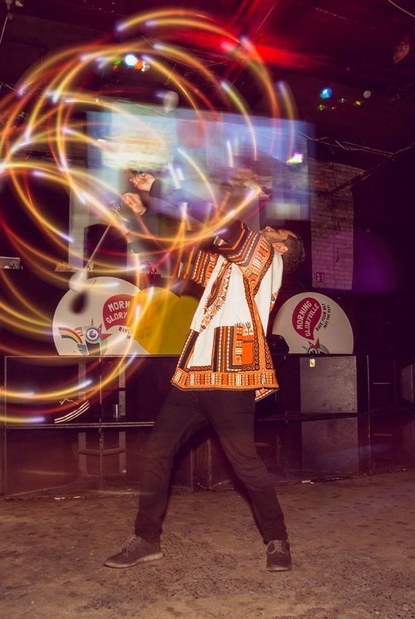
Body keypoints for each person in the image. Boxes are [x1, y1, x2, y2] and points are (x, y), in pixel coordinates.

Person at [105, 172, 305, 571]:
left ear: (282, 247)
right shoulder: (227, 264)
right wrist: (139, 216)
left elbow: (214, 218)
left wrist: (156, 189)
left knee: (245, 463)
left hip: (232, 376)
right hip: (194, 375)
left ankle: (277, 541)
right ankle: (146, 539)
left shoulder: (264, 259)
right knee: (157, 452)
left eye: (276, 232)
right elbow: (170, 258)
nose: (267, 229)